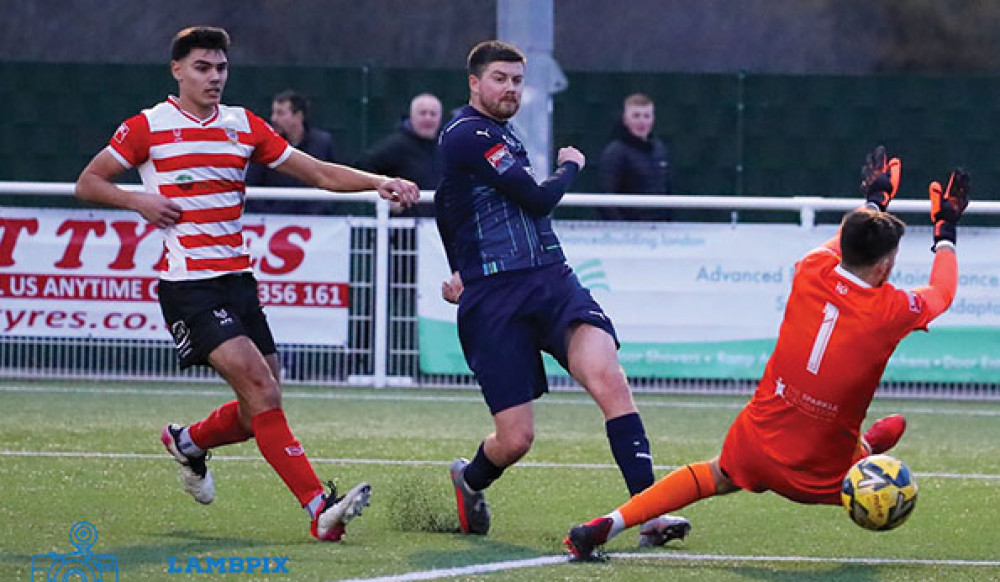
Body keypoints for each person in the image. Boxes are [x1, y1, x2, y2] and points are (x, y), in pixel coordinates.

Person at [74, 26, 419, 542]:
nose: (214, 78)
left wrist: (376, 182)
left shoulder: (242, 125)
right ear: (177, 70)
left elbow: (319, 173)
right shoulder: (148, 126)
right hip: (189, 286)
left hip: (238, 280)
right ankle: (318, 508)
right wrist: (139, 200)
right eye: (202, 68)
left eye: (221, 68)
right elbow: (89, 182)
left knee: (264, 401)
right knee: (260, 389)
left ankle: (188, 441)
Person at [564, 146, 968, 560]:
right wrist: (945, 230)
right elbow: (942, 292)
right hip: (821, 474)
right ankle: (865, 452)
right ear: (884, 267)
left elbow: (843, 240)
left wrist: (874, 201)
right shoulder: (892, 310)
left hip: (757, 443)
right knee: (874, 475)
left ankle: (606, 524)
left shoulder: (810, 269)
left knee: (715, 475)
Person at [434, 40, 690, 545]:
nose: (510, 89)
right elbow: (538, 198)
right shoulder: (466, 135)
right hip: (496, 300)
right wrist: (571, 164)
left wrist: (458, 266)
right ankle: (469, 480)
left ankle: (650, 513)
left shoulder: (502, 136)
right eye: (499, 79)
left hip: (551, 280)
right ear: (474, 83)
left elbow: (455, 207)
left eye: (516, 80)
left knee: (608, 378)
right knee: (516, 439)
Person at [244, 89, 338, 214]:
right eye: (274, 113)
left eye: (280, 113)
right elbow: (251, 184)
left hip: (315, 224)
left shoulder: (322, 143)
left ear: (298, 116)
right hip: (271, 224)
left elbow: (332, 180)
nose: (274, 118)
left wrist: (315, 213)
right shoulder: (265, 144)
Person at [357, 92, 443, 217]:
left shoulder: (447, 145)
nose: (428, 118)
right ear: (412, 116)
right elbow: (362, 165)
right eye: (422, 113)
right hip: (405, 230)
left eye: (433, 114)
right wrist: (388, 197)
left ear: (440, 117)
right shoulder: (396, 145)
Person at [598, 93, 672, 221]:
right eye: (636, 116)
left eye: (646, 116)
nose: (642, 121)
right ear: (625, 119)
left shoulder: (660, 149)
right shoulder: (615, 152)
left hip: (661, 231)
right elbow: (607, 196)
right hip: (629, 233)